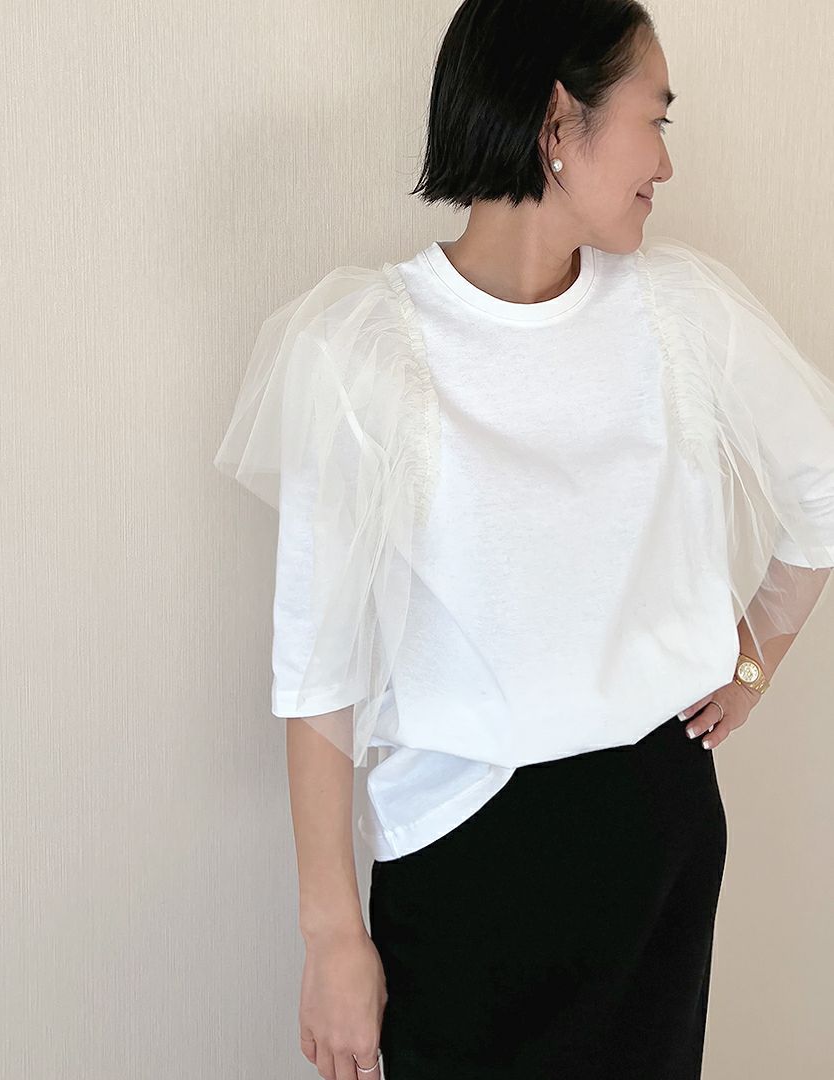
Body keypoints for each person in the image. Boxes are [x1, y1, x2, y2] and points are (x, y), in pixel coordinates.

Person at [213, 2, 834, 1077]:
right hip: (465, 857)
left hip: (658, 830)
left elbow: (822, 485)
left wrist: (751, 662)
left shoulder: (677, 313)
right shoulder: (362, 348)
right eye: (654, 120)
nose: (666, 163)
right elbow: (319, 664)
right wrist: (332, 935)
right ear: (558, 122)